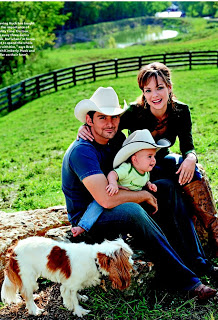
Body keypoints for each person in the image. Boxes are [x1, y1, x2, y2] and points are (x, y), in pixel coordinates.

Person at [62, 86, 217, 300]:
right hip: (91, 218)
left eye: (114, 117)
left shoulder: (114, 140)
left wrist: (149, 187)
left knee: (166, 187)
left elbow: (134, 167)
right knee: (133, 211)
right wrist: (142, 196)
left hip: (118, 198)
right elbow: (106, 199)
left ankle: (196, 262)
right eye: (102, 118)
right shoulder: (82, 151)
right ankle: (187, 283)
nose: (110, 123)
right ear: (89, 121)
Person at [77, 62, 218, 257]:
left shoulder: (181, 111)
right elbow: (110, 125)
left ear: (169, 87)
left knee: (192, 171)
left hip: (160, 161)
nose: (155, 95)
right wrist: (86, 127)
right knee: (167, 186)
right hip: (138, 169)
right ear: (143, 92)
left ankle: (215, 232)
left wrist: (191, 157)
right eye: (148, 90)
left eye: (160, 88)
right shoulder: (135, 111)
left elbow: (187, 144)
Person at [72, 129, 170, 237]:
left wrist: (149, 185)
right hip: (116, 194)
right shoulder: (127, 168)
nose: (153, 160)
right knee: (97, 206)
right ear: (135, 160)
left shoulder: (145, 171)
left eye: (154, 156)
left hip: (129, 198)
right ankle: (82, 226)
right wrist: (113, 184)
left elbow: (145, 180)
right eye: (149, 156)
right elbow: (112, 174)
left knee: (136, 210)